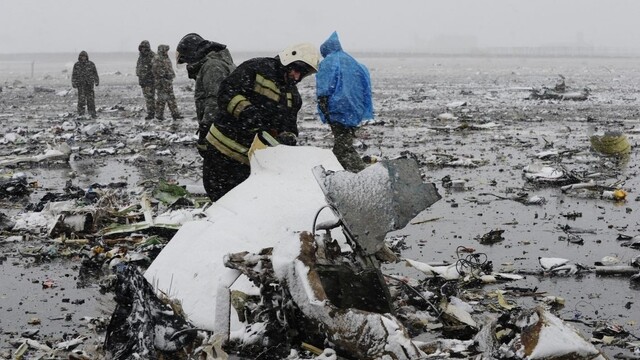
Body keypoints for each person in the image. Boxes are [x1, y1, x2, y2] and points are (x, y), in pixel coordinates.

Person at [201, 43, 320, 201]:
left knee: (238, 204)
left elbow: (289, 125)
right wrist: (245, 111)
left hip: (248, 161)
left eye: (302, 74)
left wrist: (288, 137)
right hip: (220, 150)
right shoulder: (256, 68)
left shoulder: (293, 97)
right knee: (219, 199)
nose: (297, 77)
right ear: (288, 60)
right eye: (296, 70)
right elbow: (226, 92)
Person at [316, 31, 373, 172]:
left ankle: (361, 175)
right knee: (343, 143)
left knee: (343, 148)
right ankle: (345, 172)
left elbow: (324, 87)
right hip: (354, 109)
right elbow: (364, 86)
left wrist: (324, 107)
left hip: (337, 109)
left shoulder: (329, 62)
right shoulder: (352, 62)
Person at [175, 33, 235, 157]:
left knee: (217, 168)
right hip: (225, 128)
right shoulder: (215, 64)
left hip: (221, 131)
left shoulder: (212, 66)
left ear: (192, 54)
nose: (187, 64)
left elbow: (215, 99)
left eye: (186, 60)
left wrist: (206, 129)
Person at [152, 44, 182, 120]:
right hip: (161, 83)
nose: (167, 52)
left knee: (171, 99)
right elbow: (157, 71)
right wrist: (166, 75)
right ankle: (159, 115)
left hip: (168, 83)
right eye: (165, 50)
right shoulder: (157, 58)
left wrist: (171, 75)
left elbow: (169, 68)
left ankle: (175, 114)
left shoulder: (165, 58)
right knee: (161, 99)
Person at [71, 50, 99, 118]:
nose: (83, 58)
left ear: (86, 57)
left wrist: (96, 81)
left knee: (91, 100)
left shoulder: (91, 64)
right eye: (82, 56)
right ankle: (81, 113)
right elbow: (74, 74)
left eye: (84, 56)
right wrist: (74, 83)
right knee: (81, 100)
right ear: (80, 57)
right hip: (81, 85)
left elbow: (95, 73)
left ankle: (92, 113)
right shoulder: (77, 65)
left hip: (89, 85)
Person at [136, 40, 156, 120]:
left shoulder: (152, 56)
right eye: (142, 47)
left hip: (150, 81)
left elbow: (155, 68)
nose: (143, 49)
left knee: (150, 98)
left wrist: (149, 75)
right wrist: (139, 75)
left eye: (144, 47)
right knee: (148, 98)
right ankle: (151, 112)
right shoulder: (141, 56)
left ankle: (151, 113)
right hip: (143, 81)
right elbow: (138, 67)